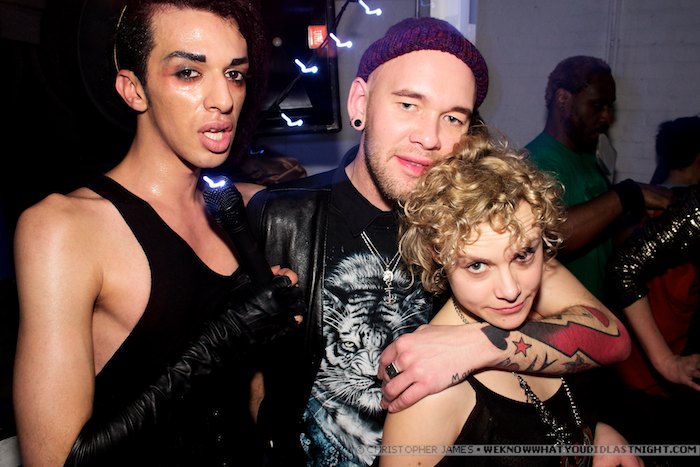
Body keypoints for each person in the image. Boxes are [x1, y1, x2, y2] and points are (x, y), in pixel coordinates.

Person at [247, 18, 630, 467]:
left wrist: (476, 346)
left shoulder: (477, 220)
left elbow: (609, 336)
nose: (429, 138)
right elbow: (255, 384)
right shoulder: (281, 217)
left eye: (452, 118)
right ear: (360, 102)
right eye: (408, 104)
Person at [12, 1, 302, 465]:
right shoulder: (65, 229)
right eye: (189, 73)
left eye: (235, 74)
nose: (224, 99)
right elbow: (54, 460)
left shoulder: (250, 207)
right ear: (133, 90)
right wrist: (225, 339)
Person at [380, 133, 640, 467]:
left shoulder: (539, 279)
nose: (511, 289)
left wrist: (594, 436)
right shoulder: (430, 394)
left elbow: (614, 340)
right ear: (438, 254)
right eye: (477, 265)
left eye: (523, 255)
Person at [525, 55, 673, 301]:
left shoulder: (589, 159)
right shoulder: (533, 161)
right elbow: (552, 236)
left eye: (609, 107)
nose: (607, 117)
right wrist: (627, 194)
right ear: (563, 99)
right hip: (561, 315)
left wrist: (655, 224)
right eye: (597, 106)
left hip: (597, 310)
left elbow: (604, 239)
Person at [612, 115, 700, 396]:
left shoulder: (643, 203)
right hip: (656, 370)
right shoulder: (681, 212)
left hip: (628, 360)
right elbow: (679, 290)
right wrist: (666, 360)